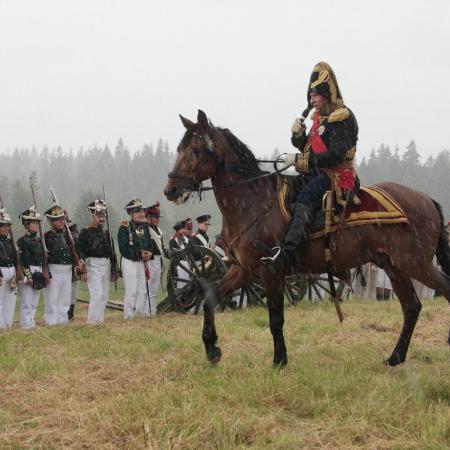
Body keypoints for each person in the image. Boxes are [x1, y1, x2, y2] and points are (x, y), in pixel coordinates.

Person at [261, 61, 359, 269]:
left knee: (306, 197)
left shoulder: (342, 118)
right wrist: (298, 136)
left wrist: (298, 160)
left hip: (338, 176)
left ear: (326, 93)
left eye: (315, 95)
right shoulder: (319, 119)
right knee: (288, 190)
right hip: (317, 173)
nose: (312, 100)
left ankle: (289, 252)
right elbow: (310, 148)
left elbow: (334, 156)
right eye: (310, 96)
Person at [118, 198, 156, 319]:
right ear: (130, 214)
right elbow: (123, 249)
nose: (141, 214)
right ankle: (128, 316)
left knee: (143, 290)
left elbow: (150, 243)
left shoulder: (145, 226)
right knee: (131, 291)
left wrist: (150, 253)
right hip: (130, 262)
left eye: (141, 211)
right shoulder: (124, 227)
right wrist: (139, 254)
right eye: (136, 211)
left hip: (142, 262)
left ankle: (140, 314)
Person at [78, 199, 113, 324]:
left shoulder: (105, 232)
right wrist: (82, 269)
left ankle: (100, 320)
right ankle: (92, 322)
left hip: (105, 264)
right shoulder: (85, 232)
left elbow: (111, 252)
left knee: (104, 295)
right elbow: (80, 251)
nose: (101, 218)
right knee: (97, 294)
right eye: (98, 215)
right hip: (93, 265)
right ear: (92, 215)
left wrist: (114, 268)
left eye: (103, 215)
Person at [44, 205, 75, 325]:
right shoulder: (46, 237)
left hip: (67, 269)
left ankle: (63, 321)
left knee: (65, 299)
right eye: (58, 219)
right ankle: (51, 322)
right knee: (52, 299)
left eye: (63, 219)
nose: (62, 221)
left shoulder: (67, 235)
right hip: (54, 269)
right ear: (51, 221)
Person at [17, 206, 45, 329]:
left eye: (37, 223)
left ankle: (31, 323)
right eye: (34, 223)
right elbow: (23, 260)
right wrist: (28, 275)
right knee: (27, 302)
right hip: (28, 270)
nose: (37, 225)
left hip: (38, 269)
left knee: (34, 301)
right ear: (27, 224)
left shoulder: (38, 240)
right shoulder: (22, 241)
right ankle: (26, 325)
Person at [144, 201, 166, 316]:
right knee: (148, 287)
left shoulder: (159, 230)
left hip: (158, 261)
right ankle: (146, 312)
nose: (158, 219)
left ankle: (152, 311)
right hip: (149, 261)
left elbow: (161, 247)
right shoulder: (145, 230)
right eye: (155, 217)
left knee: (154, 289)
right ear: (148, 217)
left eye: (158, 217)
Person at [0, 207, 18, 329]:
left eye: (8, 226)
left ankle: (8, 325)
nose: (7, 228)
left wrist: (18, 272)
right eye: (4, 225)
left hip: (11, 271)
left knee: (10, 301)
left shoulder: (10, 242)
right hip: (1, 271)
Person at [169, 220, 190, 288]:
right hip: (179, 264)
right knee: (180, 284)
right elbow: (172, 253)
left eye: (185, 229)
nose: (184, 230)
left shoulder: (186, 239)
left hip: (187, 262)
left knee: (187, 282)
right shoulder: (173, 240)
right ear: (178, 230)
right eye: (183, 229)